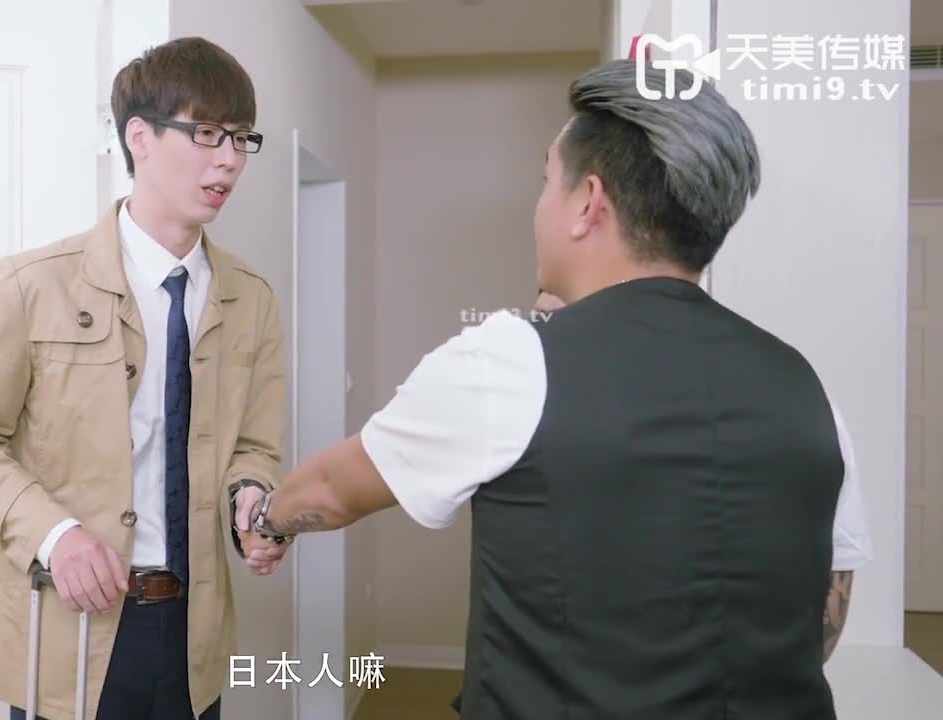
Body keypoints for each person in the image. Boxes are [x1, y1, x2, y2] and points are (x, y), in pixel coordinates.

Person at [247, 59, 873, 719]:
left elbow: (330, 490)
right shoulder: (803, 385)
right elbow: (826, 612)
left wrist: (266, 523)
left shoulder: (511, 360)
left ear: (588, 203)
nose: (540, 205)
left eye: (547, 180)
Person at [0, 36, 290, 720]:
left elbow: (254, 448)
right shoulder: (29, 286)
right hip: (66, 625)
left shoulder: (251, 298)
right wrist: (55, 535)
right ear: (140, 137)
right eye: (206, 133)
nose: (229, 158)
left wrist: (251, 500)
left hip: (193, 634)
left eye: (240, 137)